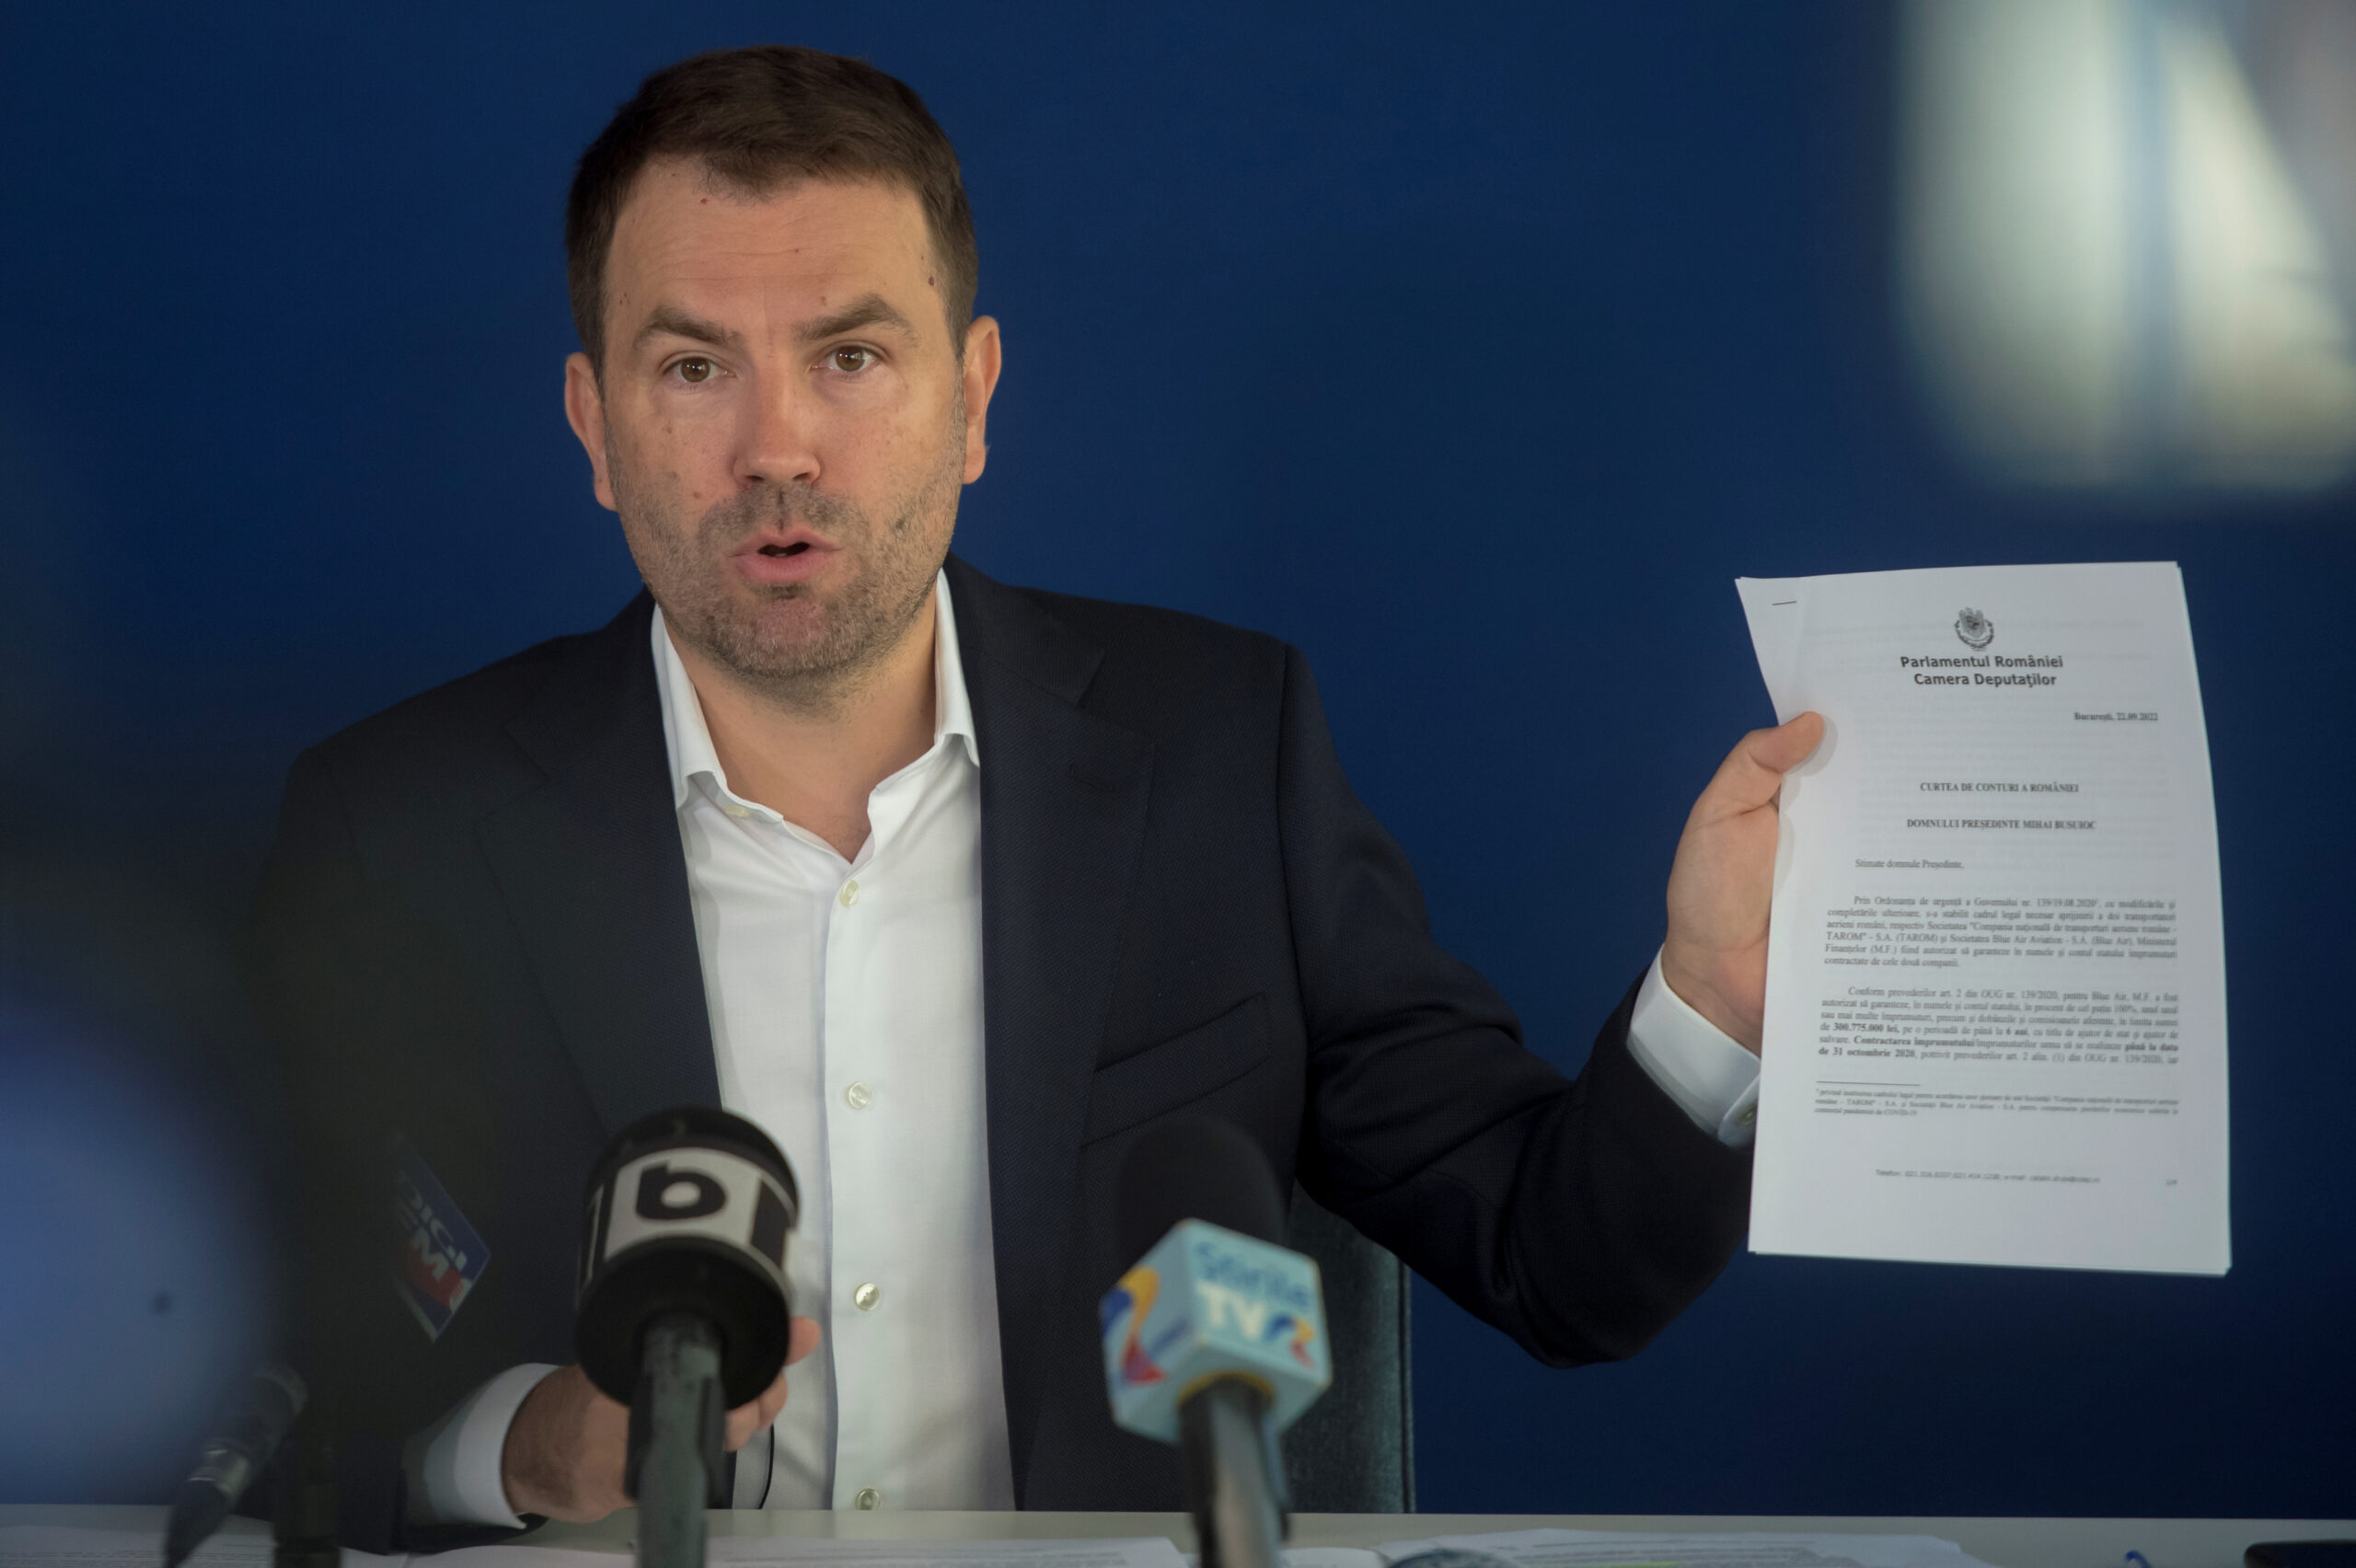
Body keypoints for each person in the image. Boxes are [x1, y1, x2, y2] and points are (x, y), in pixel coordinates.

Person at [248, 43, 1824, 1550]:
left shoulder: (1223, 757)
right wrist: (523, 1446)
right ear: (596, 427)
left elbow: (1563, 1268)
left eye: (850, 357)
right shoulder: (397, 832)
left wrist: (1712, 1003)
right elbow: (258, 1395)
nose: (777, 447)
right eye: (694, 366)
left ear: (973, 399)